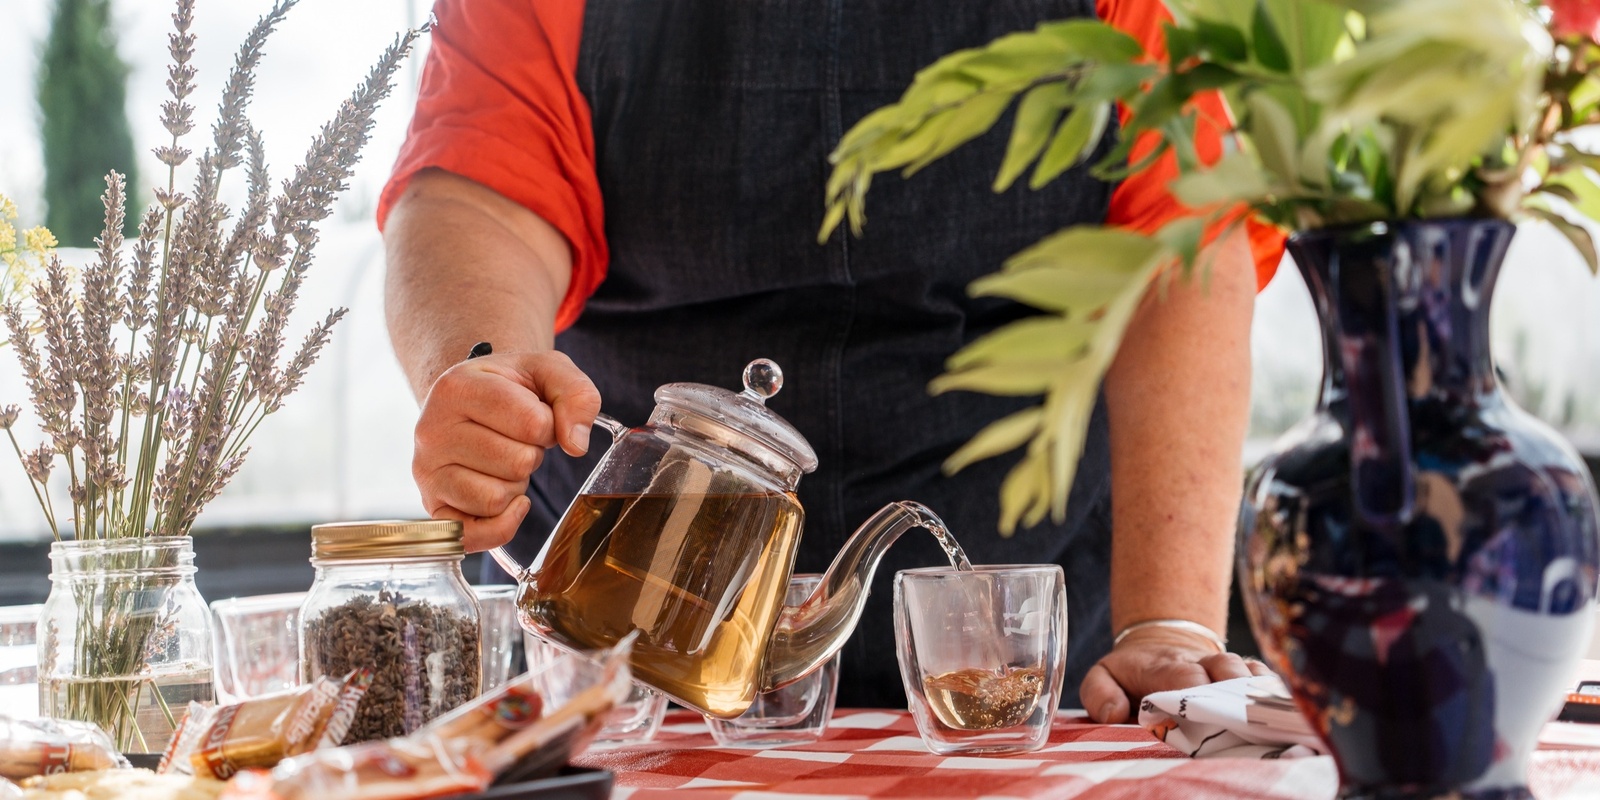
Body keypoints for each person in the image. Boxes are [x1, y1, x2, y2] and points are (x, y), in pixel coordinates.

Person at [379, 0, 1284, 723]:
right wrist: (486, 368)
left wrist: (1167, 621)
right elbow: (482, 196)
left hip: (1017, 663)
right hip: (629, 638)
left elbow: (1182, 247)